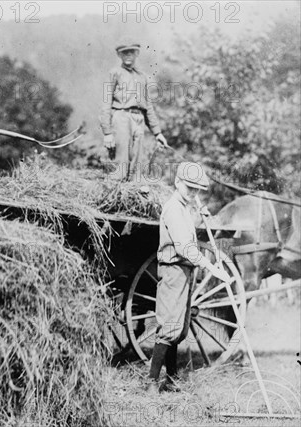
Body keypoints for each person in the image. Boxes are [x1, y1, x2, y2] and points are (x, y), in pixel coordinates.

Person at [146, 162, 230, 393]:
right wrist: (211, 268)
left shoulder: (184, 208)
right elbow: (184, 247)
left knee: (179, 327)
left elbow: (188, 234)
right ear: (177, 183)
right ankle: (151, 382)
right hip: (174, 270)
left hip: (185, 271)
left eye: (196, 189)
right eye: (188, 187)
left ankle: (171, 380)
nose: (193, 192)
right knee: (169, 326)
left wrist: (201, 218)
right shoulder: (173, 208)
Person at [99, 41, 169, 181]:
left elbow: (148, 106)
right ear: (119, 55)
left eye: (131, 52)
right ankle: (115, 193)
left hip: (139, 119)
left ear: (137, 53)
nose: (128, 55)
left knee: (137, 164)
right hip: (121, 117)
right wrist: (107, 132)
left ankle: (134, 191)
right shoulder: (115, 73)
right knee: (121, 162)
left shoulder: (142, 76)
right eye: (125, 52)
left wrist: (158, 133)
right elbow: (106, 103)